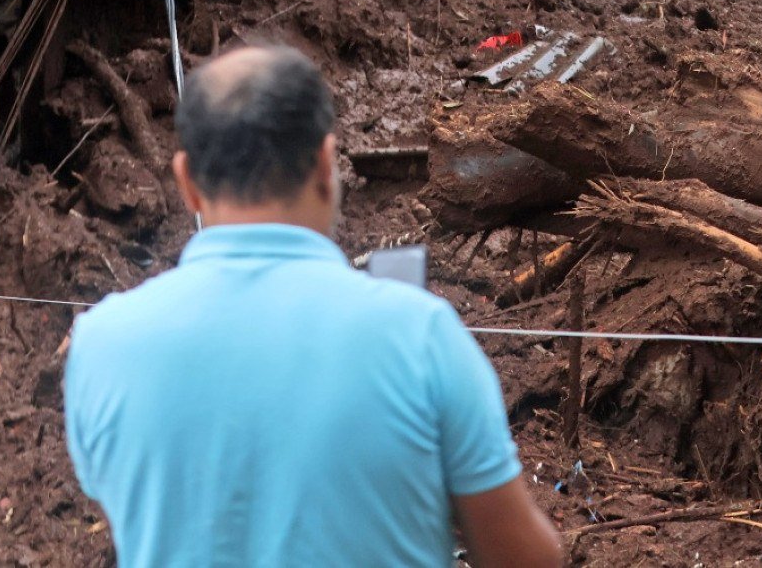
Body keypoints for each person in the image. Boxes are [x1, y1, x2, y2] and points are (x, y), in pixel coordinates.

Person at [65, 45, 560, 568]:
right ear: (326, 164)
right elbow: (525, 560)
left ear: (186, 182)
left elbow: (140, 515)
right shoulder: (422, 337)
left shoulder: (101, 344)